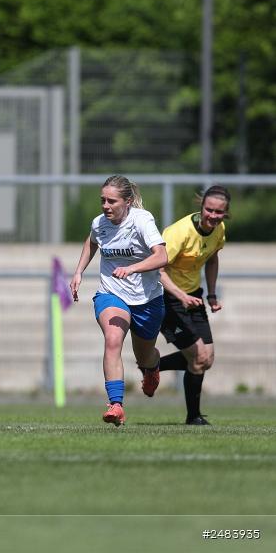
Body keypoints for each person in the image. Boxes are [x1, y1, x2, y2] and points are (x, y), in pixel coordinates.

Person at [69, 175, 168, 426]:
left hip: (147, 299)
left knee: (144, 355)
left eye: (111, 201)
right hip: (111, 293)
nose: (105, 206)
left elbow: (162, 256)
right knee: (113, 340)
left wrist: (133, 268)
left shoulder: (142, 221)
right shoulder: (100, 223)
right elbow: (91, 242)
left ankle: (151, 367)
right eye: (102, 200)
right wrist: (79, 271)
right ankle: (116, 405)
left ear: (128, 201)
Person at [157, 185, 230, 426]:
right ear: (201, 207)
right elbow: (157, 270)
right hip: (166, 298)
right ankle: (193, 417)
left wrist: (211, 294)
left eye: (219, 212)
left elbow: (212, 259)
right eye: (209, 210)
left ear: (225, 213)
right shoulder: (179, 233)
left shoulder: (218, 230)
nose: (213, 216)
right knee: (197, 355)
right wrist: (180, 295)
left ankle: (152, 366)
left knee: (206, 358)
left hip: (193, 296)